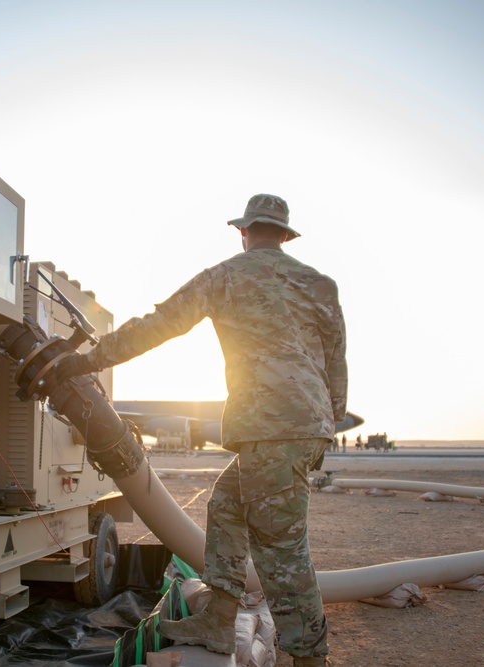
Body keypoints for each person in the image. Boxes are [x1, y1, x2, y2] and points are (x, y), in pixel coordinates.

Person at [57, 194, 347, 666]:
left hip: (268, 431)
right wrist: (325, 427)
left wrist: (88, 360)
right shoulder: (321, 285)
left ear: (243, 232)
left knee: (282, 554)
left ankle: (310, 658)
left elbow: (158, 325)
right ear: (286, 235)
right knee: (226, 507)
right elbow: (337, 361)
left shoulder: (226, 276)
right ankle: (219, 619)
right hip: (304, 427)